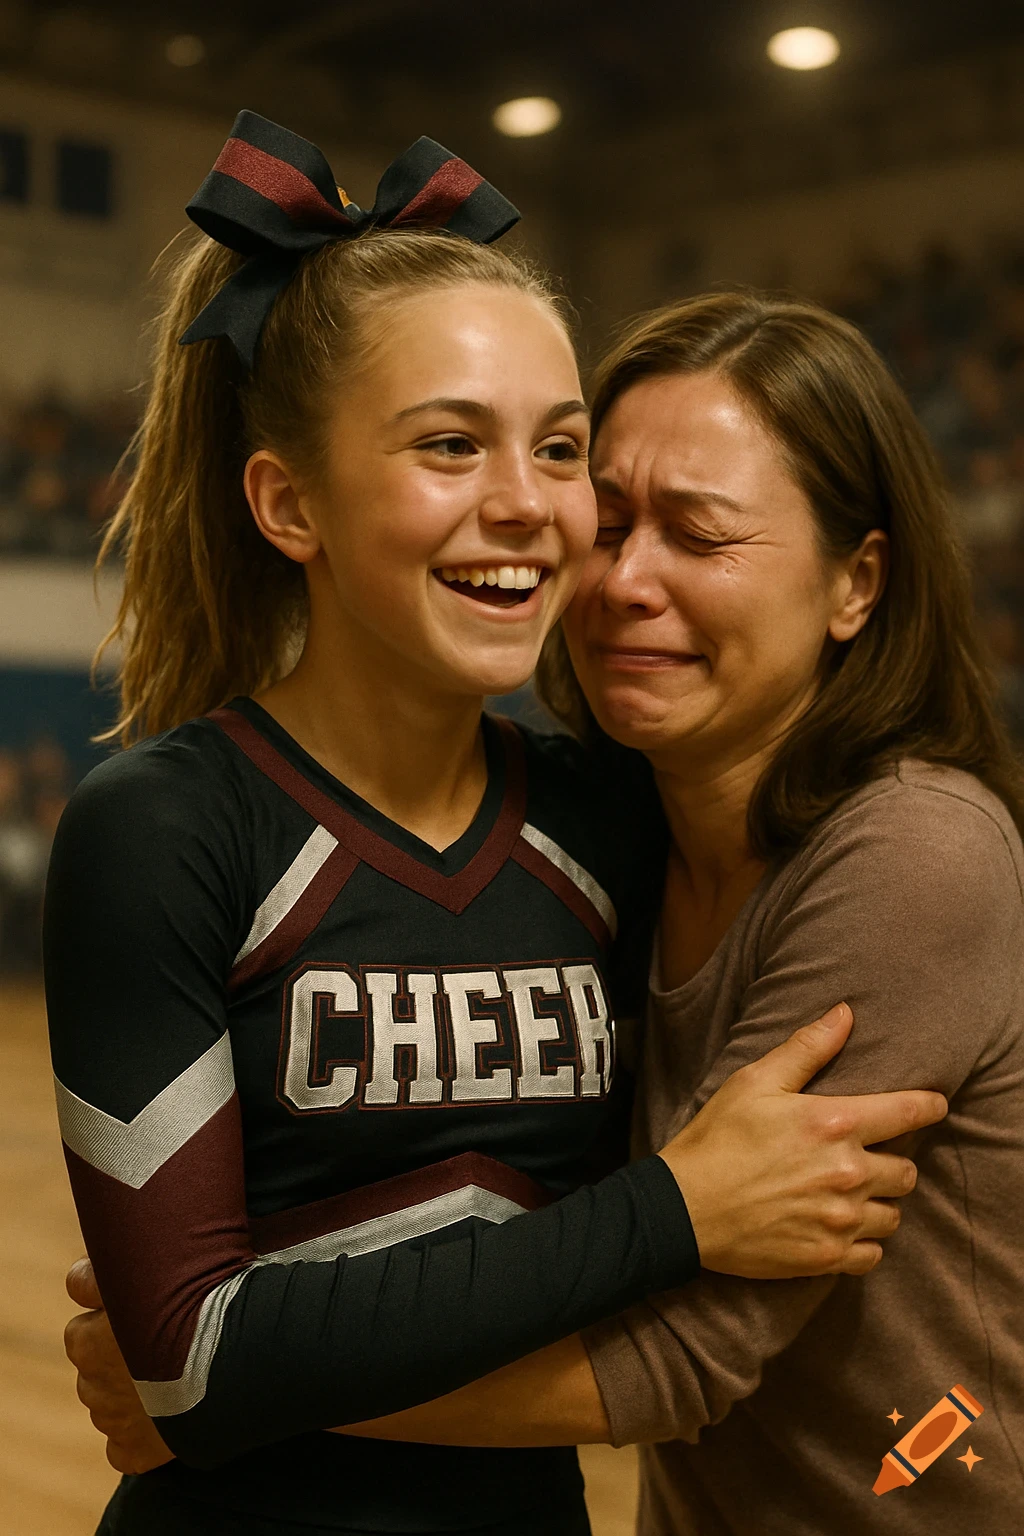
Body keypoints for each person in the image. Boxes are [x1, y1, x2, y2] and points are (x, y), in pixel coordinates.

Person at [51, 119, 942, 1536]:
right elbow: (190, 1365)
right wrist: (671, 1210)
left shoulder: (609, 814)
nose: (529, 507)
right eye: (451, 446)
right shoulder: (163, 828)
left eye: (561, 447)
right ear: (290, 502)